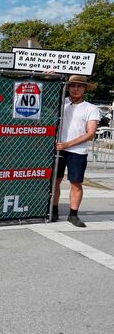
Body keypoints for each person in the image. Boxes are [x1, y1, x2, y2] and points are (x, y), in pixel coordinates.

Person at [52, 75, 100, 227]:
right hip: (59, 148)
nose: (76, 88)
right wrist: (49, 76)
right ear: (68, 87)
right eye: (73, 85)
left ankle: (73, 214)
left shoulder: (91, 108)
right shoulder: (61, 103)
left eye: (80, 86)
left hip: (77, 151)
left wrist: (67, 144)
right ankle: (53, 210)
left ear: (84, 89)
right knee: (55, 181)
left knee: (76, 183)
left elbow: (90, 133)